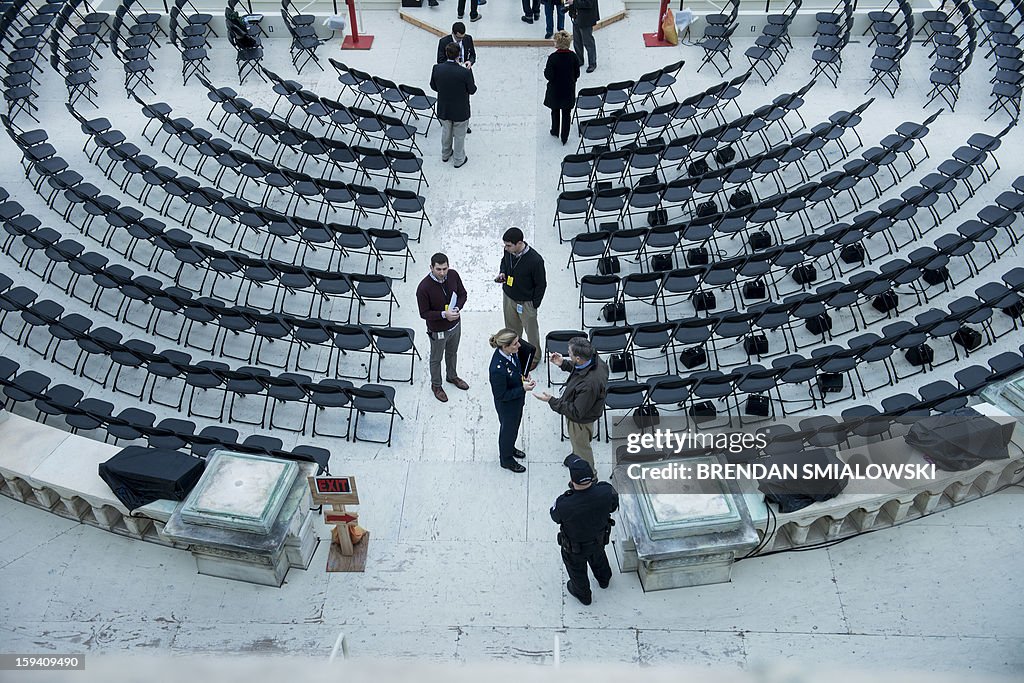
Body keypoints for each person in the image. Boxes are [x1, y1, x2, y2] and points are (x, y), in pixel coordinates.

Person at [533, 337, 608, 475]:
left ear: (578, 358)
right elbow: (581, 370)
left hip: (580, 421)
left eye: (570, 353)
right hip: (588, 408)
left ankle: (589, 475)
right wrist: (564, 364)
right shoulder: (595, 362)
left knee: (582, 447)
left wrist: (552, 400)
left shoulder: (588, 385)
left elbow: (576, 412)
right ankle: (576, 456)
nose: (567, 353)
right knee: (578, 443)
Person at [550, 454, 618, 605]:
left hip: (575, 548)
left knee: (577, 570)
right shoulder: (606, 491)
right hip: (599, 540)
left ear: (572, 481)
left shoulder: (564, 504)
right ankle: (604, 580)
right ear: (592, 477)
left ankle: (583, 596)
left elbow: (555, 517)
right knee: (599, 558)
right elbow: (613, 506)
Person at [416, 253, 470, 402]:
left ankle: (452, 376)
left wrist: (457, 308)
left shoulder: (453, 275)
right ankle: (436, 385)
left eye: (445, 268)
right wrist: (443, 315)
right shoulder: (423, 288)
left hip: (455, 325)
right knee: (436, 358)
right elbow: (424, 313)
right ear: (431, 268)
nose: (442, 273)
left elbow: (463, 294)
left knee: (452, 353)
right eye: (438, 269)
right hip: (438, 330)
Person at [488, 328, 535, 473]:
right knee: (507, 431)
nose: (519, 346)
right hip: (507, 406)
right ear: (505, 346)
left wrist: (523, 376)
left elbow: (517, 367)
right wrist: (523, 389)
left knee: (514, 428)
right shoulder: (497, 369)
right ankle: (506, 459)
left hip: (516, 401)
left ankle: (510, 447)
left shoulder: (511, 353)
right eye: (515, 344)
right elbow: (500, 395)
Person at [495, 227, 546, 355]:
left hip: (526, 302)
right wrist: (503, 272)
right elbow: (504, 262)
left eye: (509, 245)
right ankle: (514, 351)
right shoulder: (508, 252)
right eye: (505, 245)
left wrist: (534, 304)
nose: (506, 248)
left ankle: (534, 357)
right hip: (509, 297)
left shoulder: (535, 260)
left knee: (531, 332)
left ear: (519, 243)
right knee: (511, 329)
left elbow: (541, 284)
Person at [430, 42, 476, 168]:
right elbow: (472, 90)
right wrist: (469, 70)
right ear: (458, 56)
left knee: (446, 132)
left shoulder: (437, 68)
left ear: (446, 53)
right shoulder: (464, 73)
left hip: (444, 108)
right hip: (460, 110)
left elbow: (433, 86)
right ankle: (458, 159)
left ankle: (445, 154)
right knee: (459, 135)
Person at [543, 30, 580, 145]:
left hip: (555, 90)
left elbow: (549, 76)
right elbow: (577, 74)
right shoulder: (573, 57)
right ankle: (565, 136)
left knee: (555, 111)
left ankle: (555, 130)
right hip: (568, 89)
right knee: (566, 113)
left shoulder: (553, 58)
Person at [565, 0, 599, 73]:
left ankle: (592, 63)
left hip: (586, 19)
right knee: (577, 42)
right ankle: (579, 60)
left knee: (588, 42)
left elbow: (589, 3)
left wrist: (574, 2)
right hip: (576, 17)